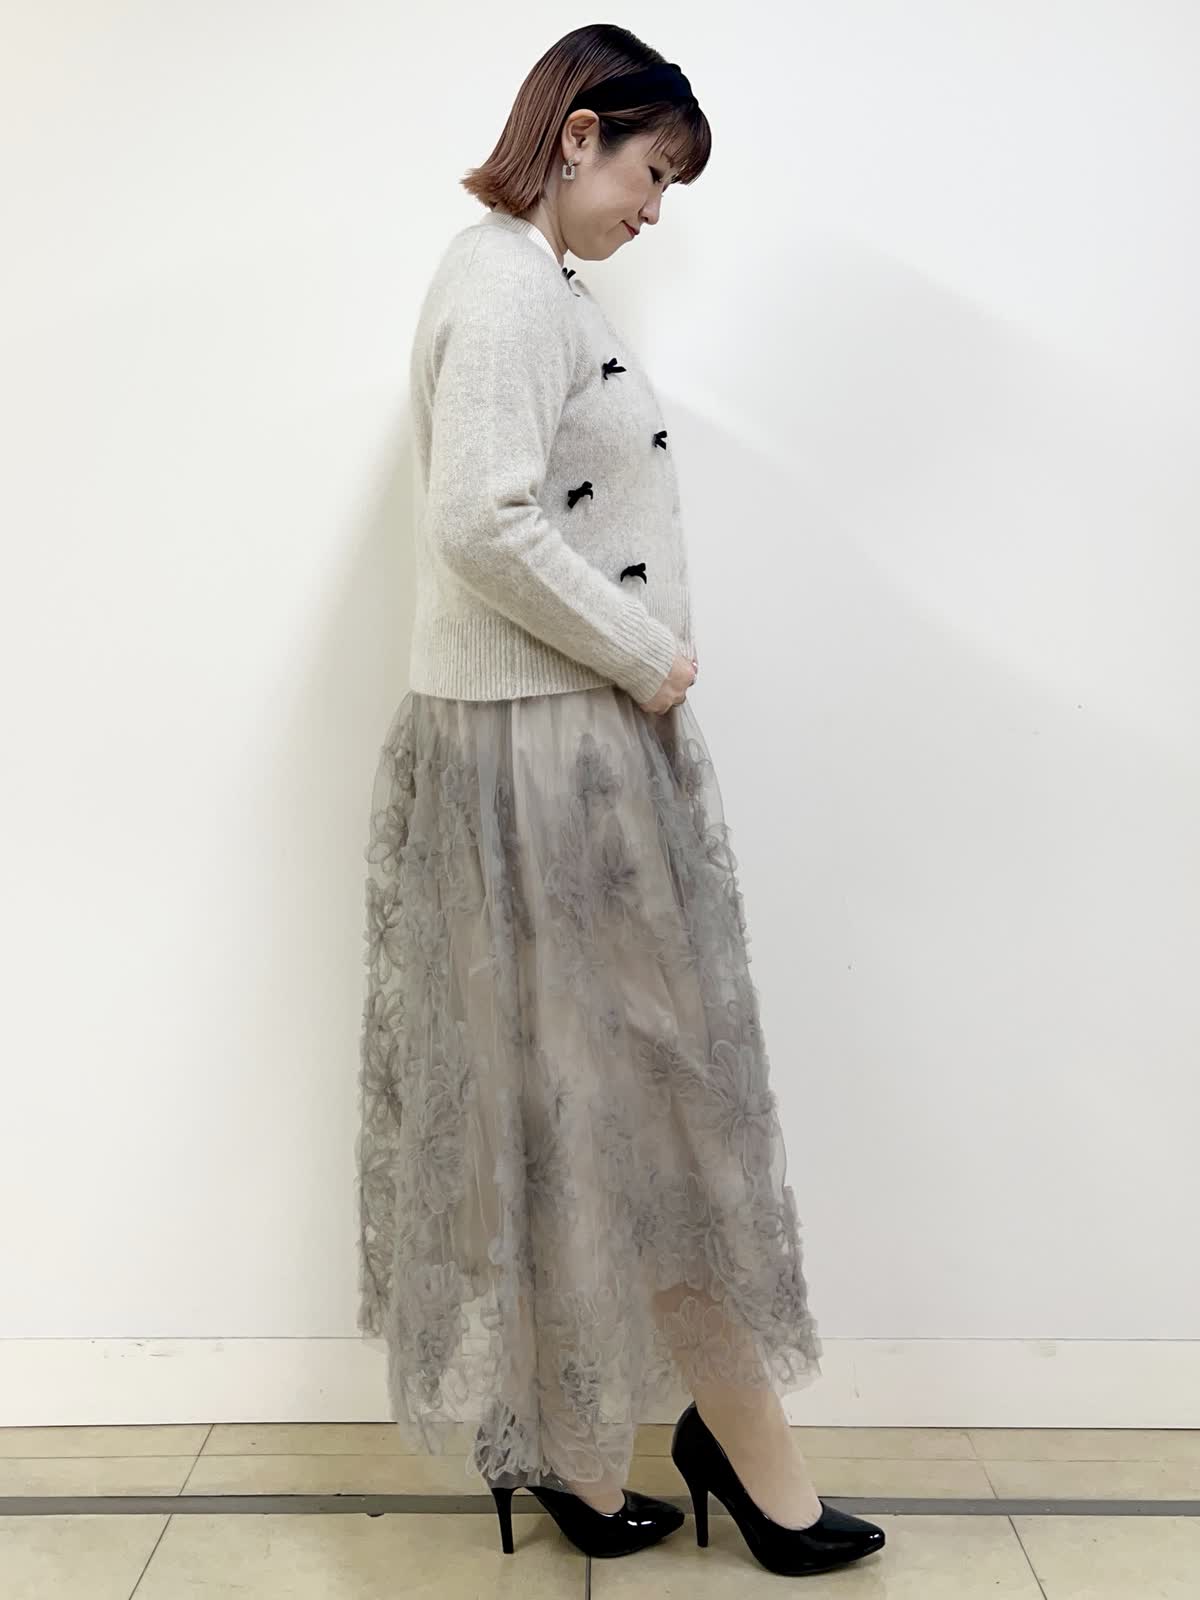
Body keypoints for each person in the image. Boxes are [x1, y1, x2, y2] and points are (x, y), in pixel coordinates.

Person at [355, 23, 884, 1578]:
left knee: (574, 1120)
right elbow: (481, 522)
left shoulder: (522, 281)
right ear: (578, 132)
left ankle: (577, 1456)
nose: (658, 211)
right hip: (547, 758)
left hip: (526, 748)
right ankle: (750, 1459)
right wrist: (652, 656)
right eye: (654, 172)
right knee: (662, 1116)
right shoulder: (509, 286)